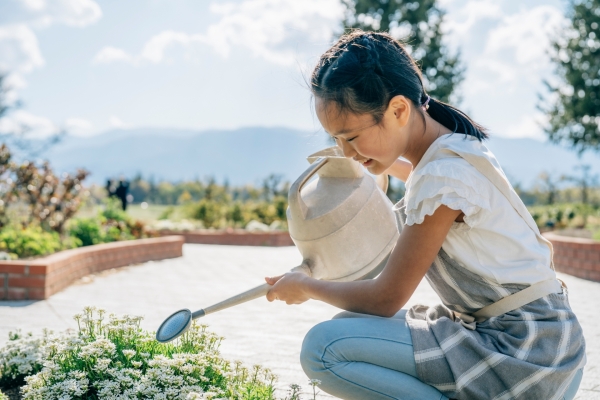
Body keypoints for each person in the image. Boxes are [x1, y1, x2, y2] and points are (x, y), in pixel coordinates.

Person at [264, 31, 586, 400]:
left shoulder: (442, 178)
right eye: (336, 140)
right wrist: (375, 166)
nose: (346, 152)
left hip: (526, 353)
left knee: (323, 348)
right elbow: (418, 177)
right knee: (348, 328)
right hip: (545, 341)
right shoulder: (452, 150)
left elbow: (386, 298)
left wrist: (305, 287)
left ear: (399, 110)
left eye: (350, 137)